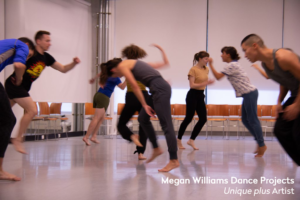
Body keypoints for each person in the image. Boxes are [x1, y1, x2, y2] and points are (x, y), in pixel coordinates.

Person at [99, 44, 179, 172]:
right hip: (156, 89)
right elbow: (158, 69)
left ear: (113, 70)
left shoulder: (123, 65)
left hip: (159, 89)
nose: (117, 78)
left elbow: (135, 87)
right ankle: (156, 149)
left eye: (114, 76)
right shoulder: (133, 64)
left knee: (166, 124)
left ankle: (174, 160)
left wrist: (144, 104)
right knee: (142, 118)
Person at [5, 30, 80, 154]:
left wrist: (74, 63)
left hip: (21, 88)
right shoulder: (31, 52)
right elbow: (18, 64)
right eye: (47, 41)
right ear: (38, 41)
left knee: (3, 113)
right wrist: (19, 78)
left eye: (50, 41)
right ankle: (18, 139)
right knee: (32, 110)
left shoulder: (46, 58)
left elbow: (63, 69)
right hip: (15, 85)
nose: (49, 43)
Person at [241, 34, 300, 165]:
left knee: (297, 133)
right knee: (281, 130)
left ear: (254, 46)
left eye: (245, 50)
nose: (245, 55)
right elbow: (284, 81)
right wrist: (279, 101)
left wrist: (297, 105)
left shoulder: (283, 57)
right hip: (296, 95)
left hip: (298, 97)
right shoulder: (266, 64)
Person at [208, 46, 267, 157]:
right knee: (245, 119)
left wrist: (211, 64)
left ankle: (262, 145)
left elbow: (218, 77)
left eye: (223, 53)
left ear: (228, 54)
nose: (221, 55)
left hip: (249, 93)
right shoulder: (235, 64)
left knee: (253, 119)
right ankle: (259, 142)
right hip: (248, 94)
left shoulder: (231, 65)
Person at [0, 37, 34, 181]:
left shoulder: (6, 45)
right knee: (7, 120)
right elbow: (19, 66)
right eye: (29, 55)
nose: (27, 57)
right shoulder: (21, 45)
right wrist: (19, 79)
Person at [117, 45, 150, 160]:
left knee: (121, 124)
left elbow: (120, 80)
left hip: (132, 96)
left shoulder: (125, 65)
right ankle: (141, 153)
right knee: (144, 125)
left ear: (126, 54)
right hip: (144, 96)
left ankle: (131, 136)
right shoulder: (142, 66)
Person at [83, 62, 127, 146]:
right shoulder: (116, 78)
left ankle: (94, 136)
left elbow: (100, 73)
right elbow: (122, 87)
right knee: (96, 118)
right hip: (104, 97)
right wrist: (127, 79)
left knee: (101, 117)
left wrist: (93, 78)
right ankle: (86, 137)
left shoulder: (108, 74)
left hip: (98, 95)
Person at [177, 51, 214, 150]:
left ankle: (191, 140)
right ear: (200, 59)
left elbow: (203, 83)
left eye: (208, 58)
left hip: (201, 95)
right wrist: (206, 83)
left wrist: (206, 83)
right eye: (206, 59)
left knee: (203, 119)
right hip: (192, 95)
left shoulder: (206, 69)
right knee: (188, 118)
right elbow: (192, 85)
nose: (207, 60)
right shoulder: (193, 70)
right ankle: (179, 139)